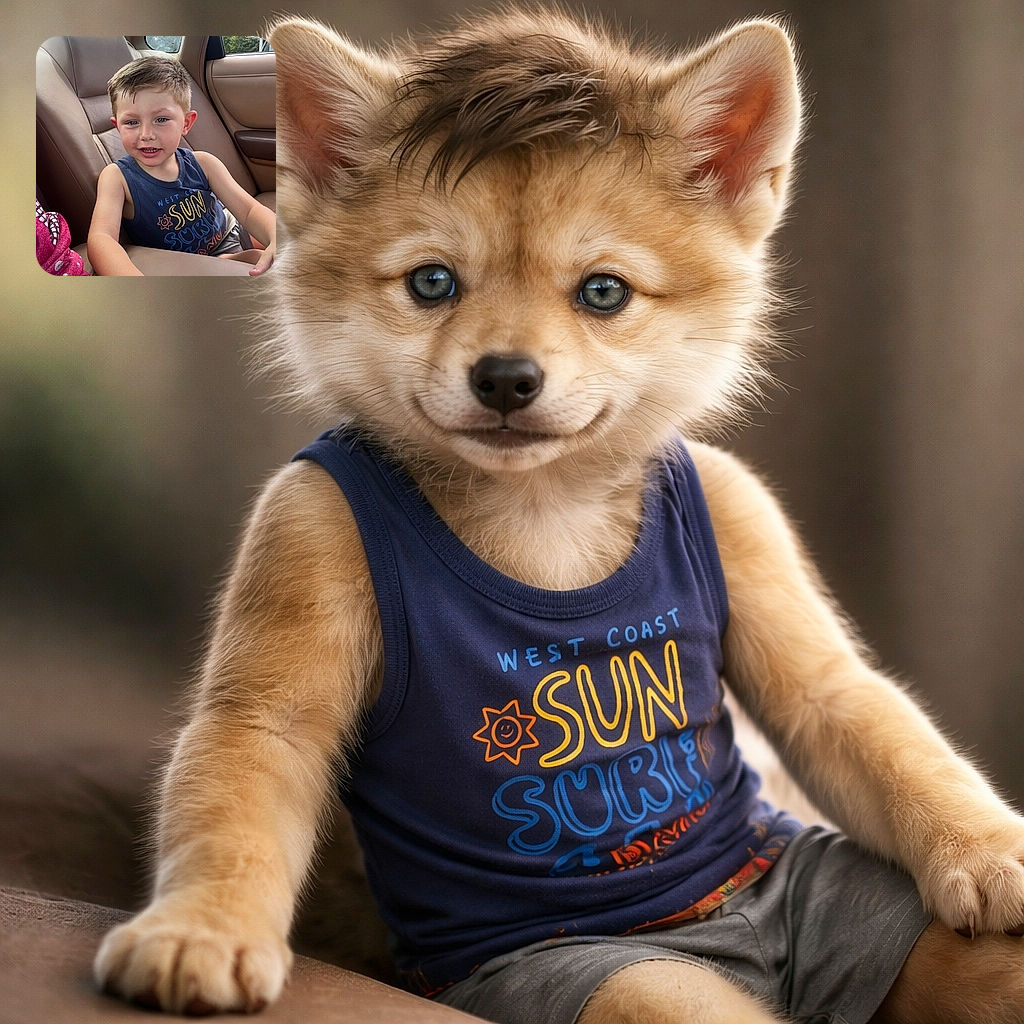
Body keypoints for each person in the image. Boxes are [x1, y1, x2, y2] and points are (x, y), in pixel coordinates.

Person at [88, 55, 275, 276]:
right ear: (117, 126)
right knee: (255, 261)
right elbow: (102, 238)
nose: (146, 134)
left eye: (161, 120)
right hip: (191, 263)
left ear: (186, 123)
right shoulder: (117, 177)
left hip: (229, 232)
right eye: (131, 122)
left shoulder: (203, 163)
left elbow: (249, 210)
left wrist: (275, 236)